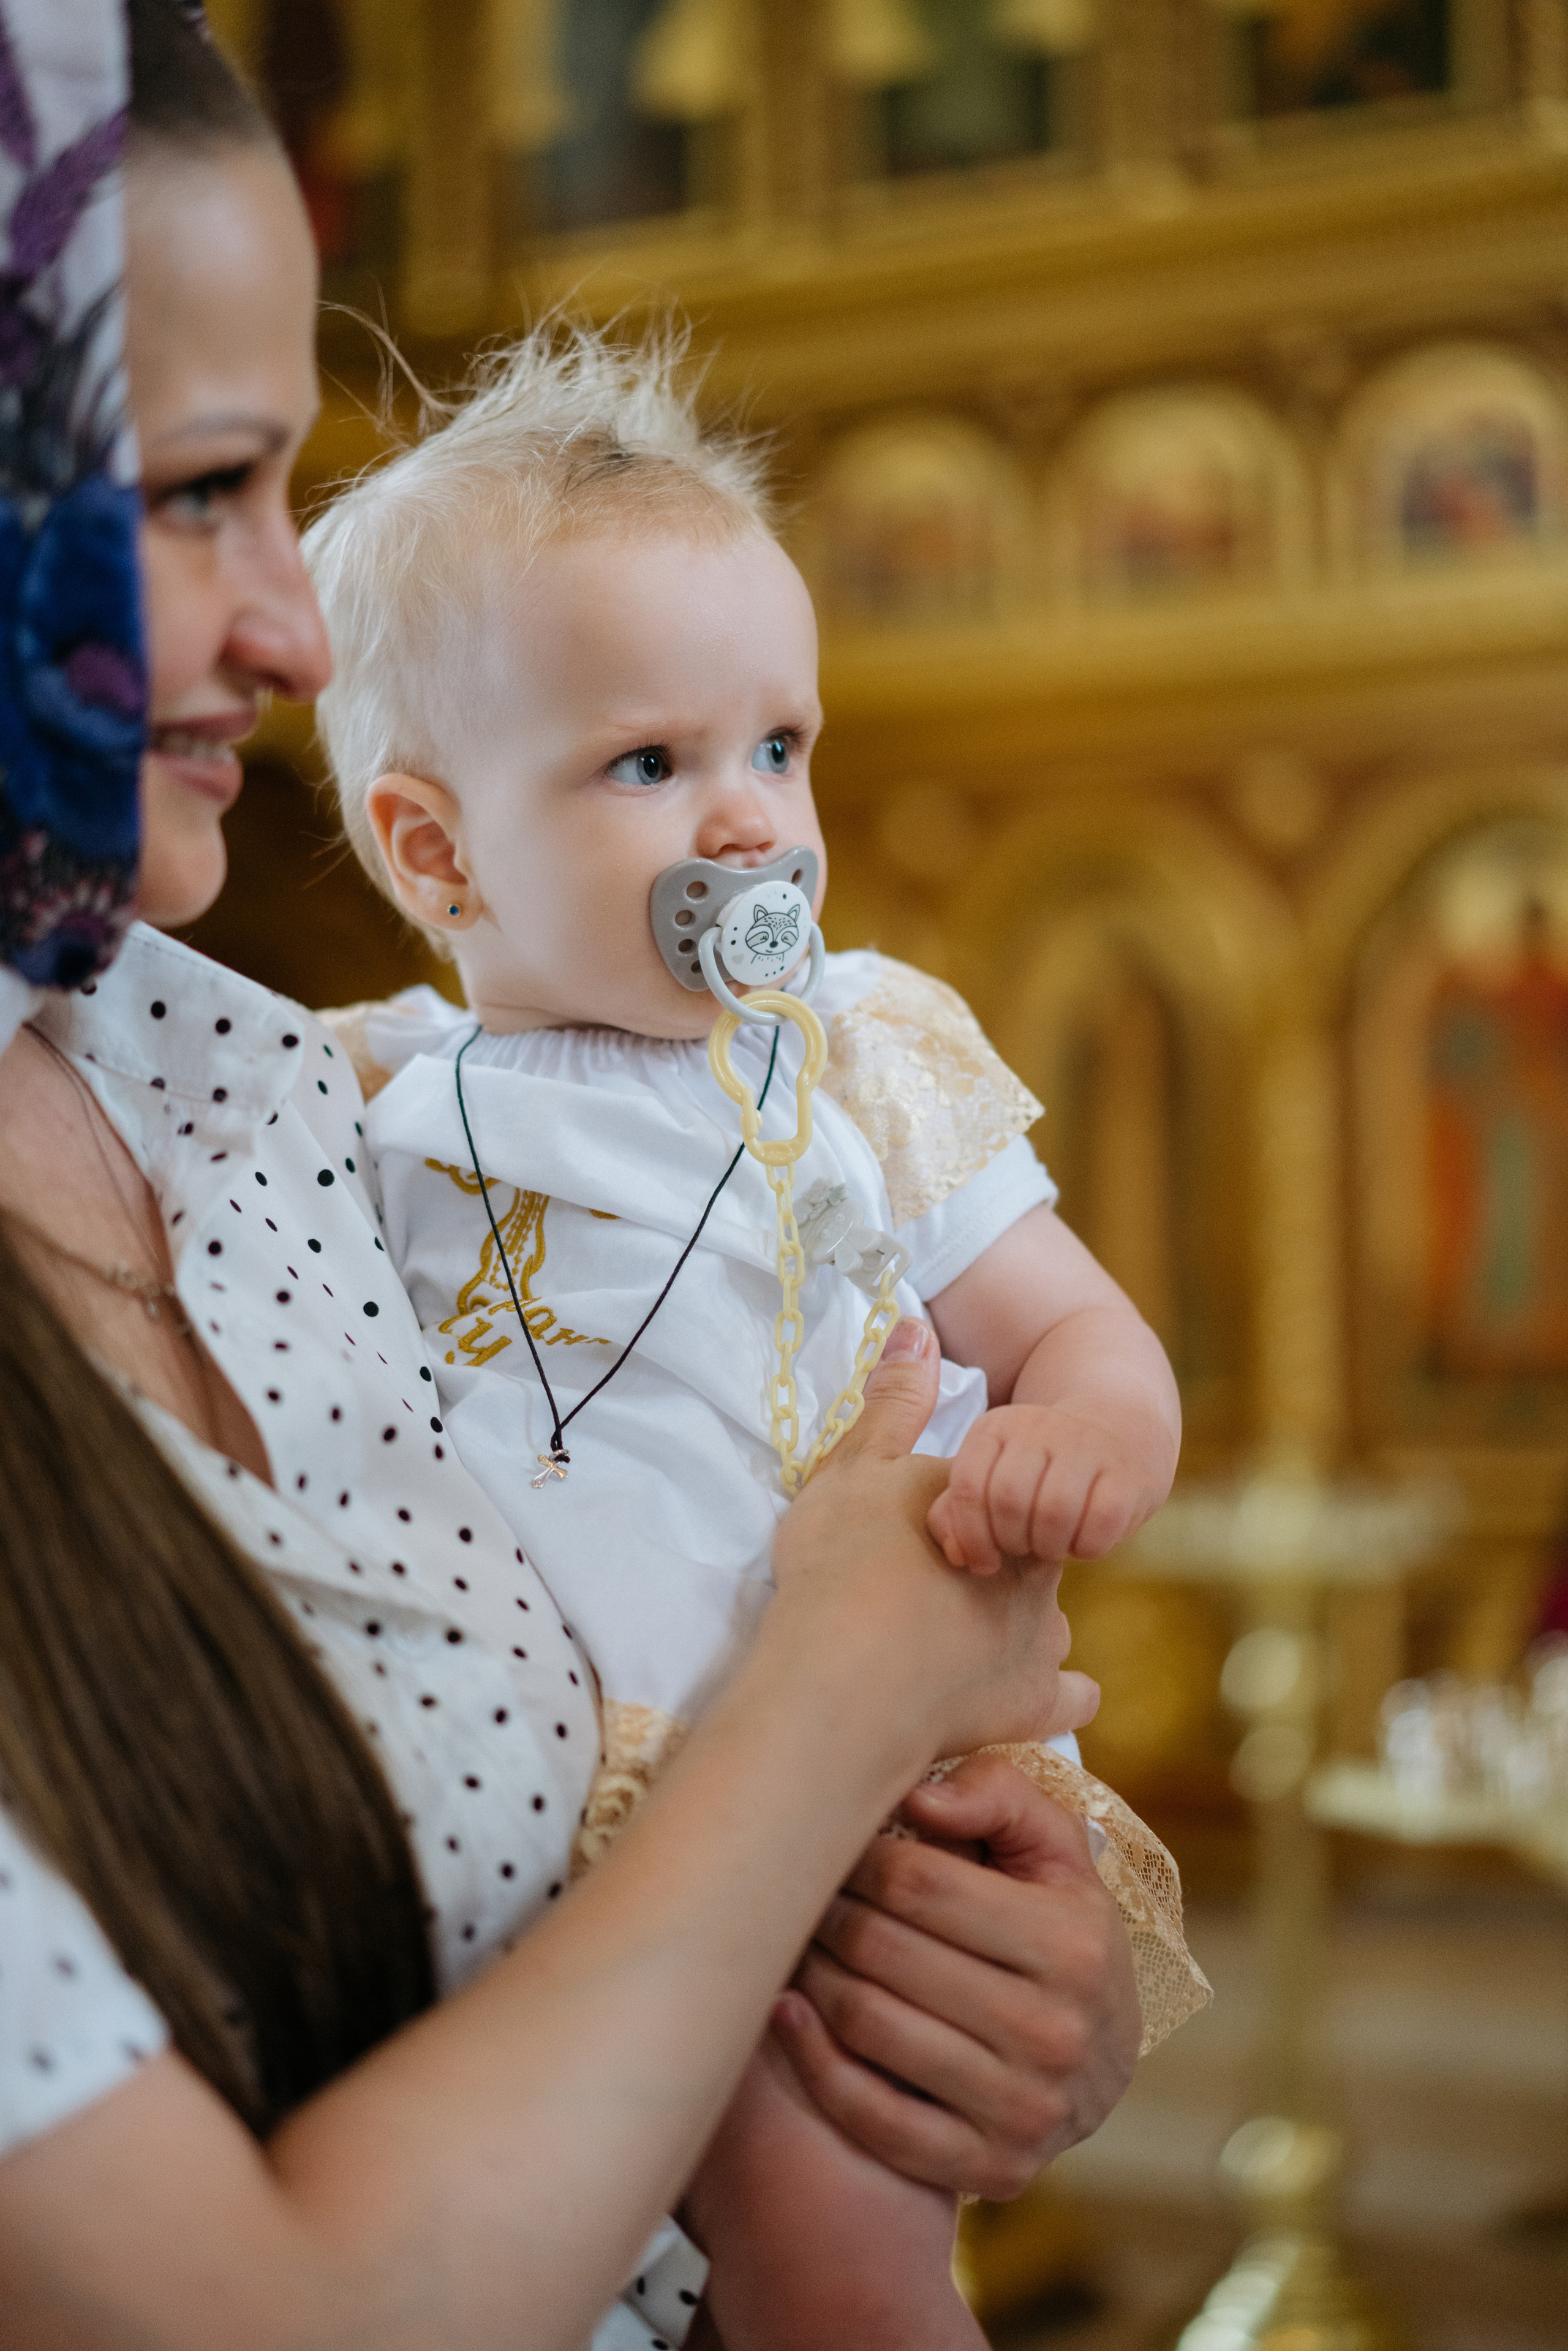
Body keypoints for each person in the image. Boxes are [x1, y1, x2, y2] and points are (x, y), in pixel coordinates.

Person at [0, 8, 1144, 2349]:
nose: (292, 628)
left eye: (775, 748)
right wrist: (840, 1681)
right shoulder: (395, 1086)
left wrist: (992, 2011)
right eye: (199, 490)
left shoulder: (232, 1080)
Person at [301, 330, 1205, 2349]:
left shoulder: (856, 1054)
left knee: (826, 2256)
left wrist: (1077, 1438)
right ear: (436, 850)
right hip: (535, 1821)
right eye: (652, 765)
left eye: (778, 750)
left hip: (833, 1804)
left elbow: (1081, 1329)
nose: (748, 827)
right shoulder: (385, 1099)